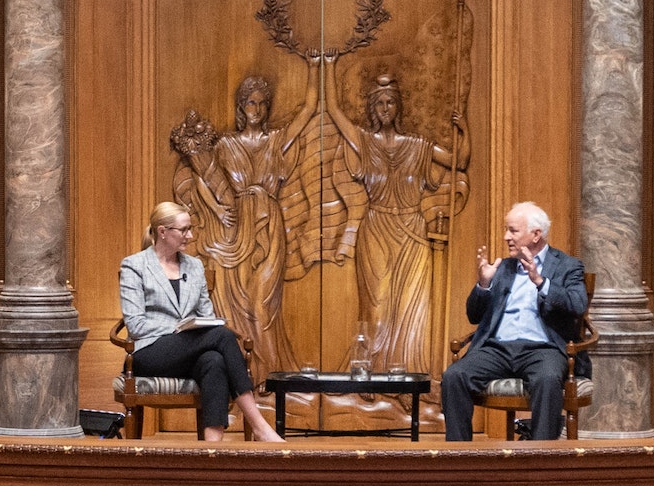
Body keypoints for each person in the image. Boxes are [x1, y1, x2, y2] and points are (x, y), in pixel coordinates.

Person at [323, 51, 469, 377]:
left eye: (390, 102)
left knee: (410, 306)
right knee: (376, 305)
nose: (385, 109)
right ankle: (373, 375)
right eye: (379, 104)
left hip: (412, 230)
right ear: (372, 109)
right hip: (376, 228)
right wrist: (329, 65)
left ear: (398, 106)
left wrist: (464, 129)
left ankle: (405, 377)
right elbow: (334, 111)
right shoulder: (364, 142)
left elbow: (458, 161)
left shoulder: (417, 145)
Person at [173, 60, 320, 381]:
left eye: (262, 103)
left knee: (263, 305)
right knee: (231, 307)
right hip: (232, 231)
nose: (257, 109)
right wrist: (216, 209)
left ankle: (269, 374)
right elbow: (203, 179)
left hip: (268, 225)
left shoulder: (277, 141)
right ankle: (238, 376)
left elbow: (308, 112)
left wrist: (316, 66)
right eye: (251, 102)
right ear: (241, 106)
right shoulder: (225, 145)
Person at [118, 201, 285, 442]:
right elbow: (136, 325)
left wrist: (199, 326)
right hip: (149, 351)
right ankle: (259, 425)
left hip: (188, 352)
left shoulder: (194, 266)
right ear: (163, 231)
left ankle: (211, 450)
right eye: (184, 230)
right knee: (223, 336)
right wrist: (179, 329)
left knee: (214, 361)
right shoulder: (134, 265)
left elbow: (207, 317)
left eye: (190, 229)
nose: (190, 235)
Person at [442, 201, 589, 441]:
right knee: (454, 376)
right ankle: (460, 457)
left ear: (536, 234)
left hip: (543, 349)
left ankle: (541, 457)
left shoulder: (567, 265)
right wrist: (484, 284)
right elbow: (474, 316)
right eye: (506, 230)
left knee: (547, 379)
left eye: (513, 231)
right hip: (497, 349)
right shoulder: (502, 267)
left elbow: (577, 304)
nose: (506, 237)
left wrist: (541, 282)